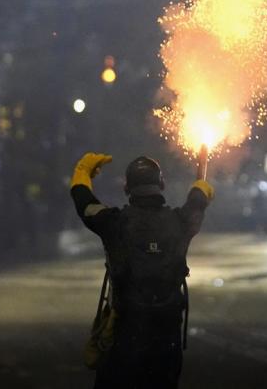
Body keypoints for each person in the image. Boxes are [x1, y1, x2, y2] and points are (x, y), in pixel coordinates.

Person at [70, 152, 214, 389]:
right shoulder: (180, 222)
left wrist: (82, 172)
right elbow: (196, 204)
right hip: (167, 344)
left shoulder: (114, 223)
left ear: (126, 188)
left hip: (125, 339)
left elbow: (85, 205)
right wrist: (200, 189)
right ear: (162, 185)